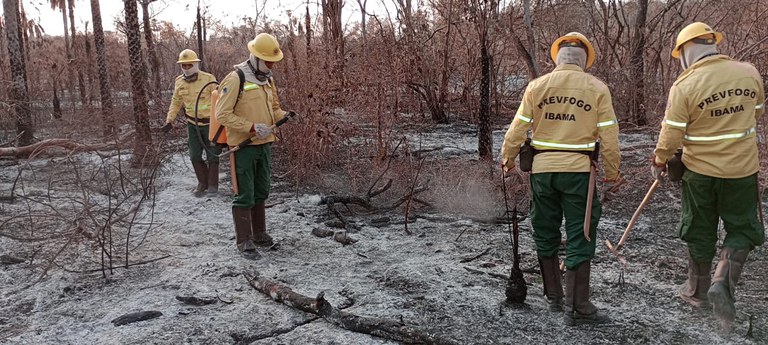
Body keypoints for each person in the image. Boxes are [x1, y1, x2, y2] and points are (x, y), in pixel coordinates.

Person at [500, 32, 621, 326]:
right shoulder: (597, 89)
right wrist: (613, 173)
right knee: (581, 234)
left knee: (545, 231)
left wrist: (508, 160)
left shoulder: (537, 87)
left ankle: (554, 298)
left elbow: (517, 130)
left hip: (542, 173)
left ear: (557, 57)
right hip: (580, 174)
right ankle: (578, 306)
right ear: (584, 60)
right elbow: (610, 137)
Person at [652, 22, 765, 331]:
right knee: (742, 227)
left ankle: (698, 292)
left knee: (699, 228)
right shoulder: (749, 72)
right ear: (713, 44)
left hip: (699, 174)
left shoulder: (685, 85)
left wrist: (660, 161)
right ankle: (723, 280)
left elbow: (671, 133)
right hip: (742, 171)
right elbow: (756, 112)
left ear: (686, 52)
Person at [216, 33, 295, 259]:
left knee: (261, 191)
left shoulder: (268, 80)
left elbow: (274, 108)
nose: (271, 66)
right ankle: (244, 241)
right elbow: (222, 114)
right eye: (268, 61)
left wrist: (284, 115)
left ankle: (260, 234)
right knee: (244, 194)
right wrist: (250, 127)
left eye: (273, 62)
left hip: (265, 144)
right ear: (255, 57)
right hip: (243, 146)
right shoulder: (235, 78)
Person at [163, 49, 221, 197]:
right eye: (184, 66)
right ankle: (203, 182)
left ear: (196, 64)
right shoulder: (179, 82)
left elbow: (220, 100)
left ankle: (213, 184)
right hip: (192, 124)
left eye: (190, 65)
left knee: (212, 154)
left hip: (210, 124)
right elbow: (176, 102)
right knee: (195, 155)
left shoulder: (208, 79)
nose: (187, 68)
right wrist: (170, 120)